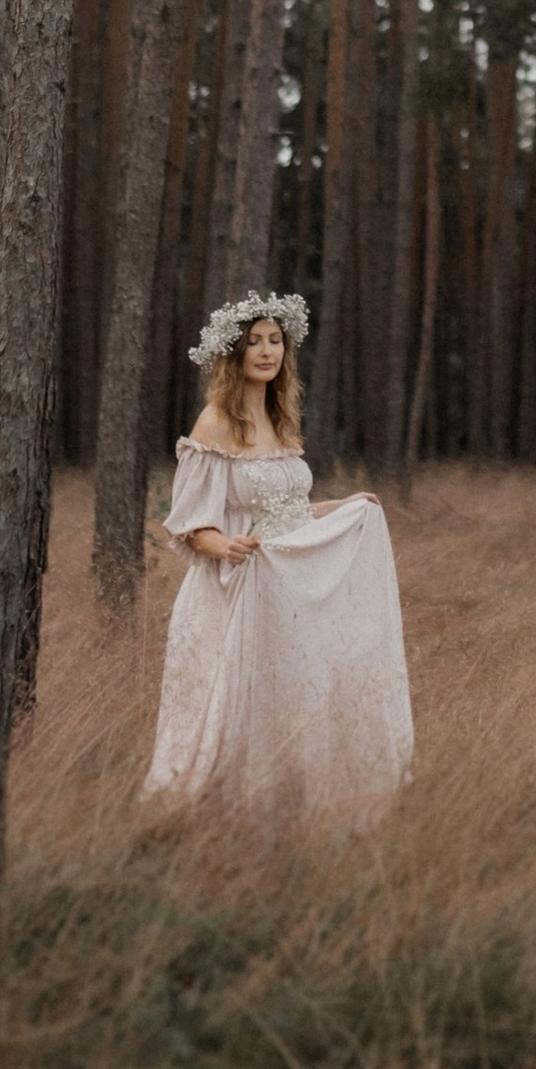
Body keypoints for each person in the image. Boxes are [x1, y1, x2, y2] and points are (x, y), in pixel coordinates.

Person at [142, 289, 414, 822]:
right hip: (235, 589)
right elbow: (190, 522)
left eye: (275, 342)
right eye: (254, 342)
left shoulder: (280, 421)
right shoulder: (216, 423)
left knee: (294, 701)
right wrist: (225, 544)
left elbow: (289, 511)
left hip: (284, 592)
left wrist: (345, 505)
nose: (267, 351)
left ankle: (291, 809)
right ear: (233, 353)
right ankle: (216, 817)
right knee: (235, 707)